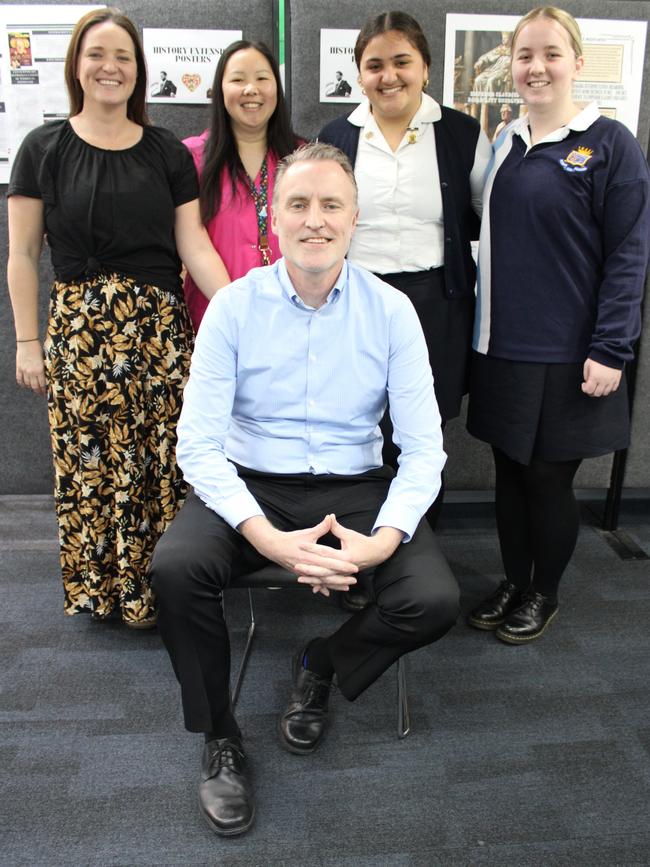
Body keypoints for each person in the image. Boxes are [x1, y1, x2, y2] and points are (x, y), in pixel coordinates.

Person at [149, 142, 460, 837]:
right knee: (175, 568)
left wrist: (381, 543)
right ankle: (220, 736)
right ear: (274, 221)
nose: (314, 220)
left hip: (356, 485)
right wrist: (267, 537)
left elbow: (423, 447)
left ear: (354, 220)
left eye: (330, 205)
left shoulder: (390, 311)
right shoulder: (232, 307)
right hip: (253, 482)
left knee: (434, 598)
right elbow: (196, 444)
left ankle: (320, 661)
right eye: (298, 204)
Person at [6, 8, 228, 627]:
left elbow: (194, 245)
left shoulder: (166, 152)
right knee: (91, 462)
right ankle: (103, 592)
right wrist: (27, 342)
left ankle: (158, 588)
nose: (111, 67)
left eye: (123, 57)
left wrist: (241, 308)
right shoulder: (42, 147)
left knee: (159, 461)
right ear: (77, 65)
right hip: (80, 335)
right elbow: (22, 255)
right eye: (97, 55)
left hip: (158, 334)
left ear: (138, 70)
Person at [466, 6, 650, 643]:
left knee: (548, 478)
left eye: (550, 53)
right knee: (510, 472)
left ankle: (545, 591)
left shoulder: (608, 144)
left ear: (576, 61)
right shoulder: (504, 142)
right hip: (500, 347)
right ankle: (515, 580)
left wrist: (611, 348)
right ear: (510, 66)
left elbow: (629, 254)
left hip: (572, 352)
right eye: (524, 55)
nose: (536, 67)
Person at [318, 10, 491, 566]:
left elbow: (485, 217)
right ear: (359, 73)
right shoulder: (337, 135)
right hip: (356, 302)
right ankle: (354, 553)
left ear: (426, 67)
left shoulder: (462, 133)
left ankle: (414, 558)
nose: (387, 76)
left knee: (420, 437)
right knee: (355, 427)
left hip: (434, 303)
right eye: (374, 65)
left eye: (401, 62)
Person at [182, 40, 301, 332]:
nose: (251, 89)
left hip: (288, 320)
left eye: (262, 78)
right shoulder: (192, 157)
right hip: (215, 320)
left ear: (276, 88)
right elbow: (189, 243)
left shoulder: (302, 158)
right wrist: (237, 312)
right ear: (220, 89)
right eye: (238, 79)